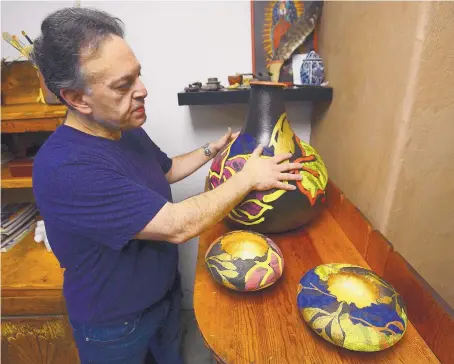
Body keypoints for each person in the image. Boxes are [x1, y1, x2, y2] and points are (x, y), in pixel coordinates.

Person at [31, 7, 303, 364]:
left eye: (137, 76)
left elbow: (166, 170)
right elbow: (177, 225)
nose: (143, 90)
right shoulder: (66, 168)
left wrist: (212, 150)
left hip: (164, 298)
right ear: (77, 99)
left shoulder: (122, 128)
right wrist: (250, 177)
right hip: (115, 324)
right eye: (123, 85)